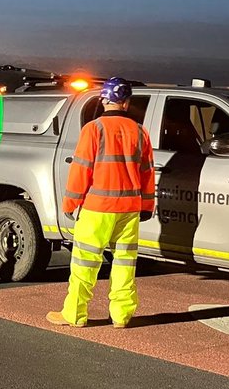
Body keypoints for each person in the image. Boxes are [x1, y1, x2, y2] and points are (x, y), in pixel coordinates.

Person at [47, 77, 155, 329]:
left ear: (104, 100)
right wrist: (147, 206)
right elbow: (147, 172)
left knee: (85, 262)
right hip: (129, 210)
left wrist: (70, 203)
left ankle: (74, 314)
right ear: (126, 103)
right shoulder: (140, 132)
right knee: (125, 263)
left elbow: (81, 169)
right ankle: (121, 315)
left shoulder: (94, 129)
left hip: (98, 209)